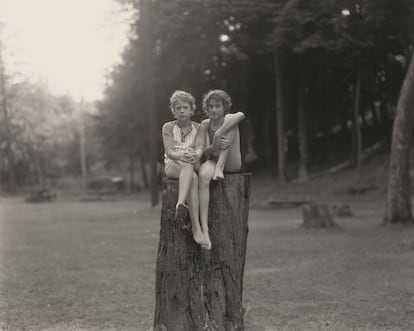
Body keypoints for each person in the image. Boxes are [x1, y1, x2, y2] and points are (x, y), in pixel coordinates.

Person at [198, 90, 245, 250]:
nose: (213, 110)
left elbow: (241, 115)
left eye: (217, 106)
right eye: (210, 106)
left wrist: (219, 133)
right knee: (203, 175)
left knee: (231, 121)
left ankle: (220, 167)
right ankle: (204, 230)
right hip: (213, 159)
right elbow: (204, 152)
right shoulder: (205, 125)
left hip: (231, 163)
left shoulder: (228, 117)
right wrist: (215, 145)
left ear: (224, 106)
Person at [162, 90, 207, 247]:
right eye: (178, 108)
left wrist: (196, 155)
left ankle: (180, 203)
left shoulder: (199, 128)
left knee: (190, 165)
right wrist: (182, 156)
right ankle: (196, 227)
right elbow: (170, 151)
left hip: (191, 162)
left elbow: (200, 148)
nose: (182, 110)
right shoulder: (167, 127)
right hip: (173, 165)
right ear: (173, 110)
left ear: (191, 109)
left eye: (185, 107)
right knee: (193, 178)